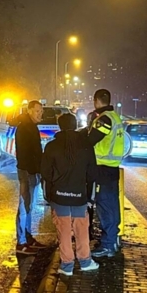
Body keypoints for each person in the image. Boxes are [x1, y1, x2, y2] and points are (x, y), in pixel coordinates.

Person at [42, 112, 99, 275]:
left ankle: (67, 265)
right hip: (79, 195)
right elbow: (92, 173)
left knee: (63, 230)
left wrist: (52, 189)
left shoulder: (51, 146)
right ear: (75, 126)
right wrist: (87, 192)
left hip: (59, 196)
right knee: (81, 228)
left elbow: (45, 173)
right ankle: (85, 261)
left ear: (60, 126)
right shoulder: (86, 147)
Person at [84, 88, 129, 259]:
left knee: (105, 206)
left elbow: (90, 140)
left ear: (96, 101)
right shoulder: (115, 117)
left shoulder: (104, 120)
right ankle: (113, 240)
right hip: (112, 168)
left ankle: (108, 245)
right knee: (112, 205)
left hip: (102, 169)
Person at [14, 100, 48, 255]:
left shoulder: (31, 126)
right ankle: (21, 242)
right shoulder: (25, 128)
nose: (40, 114)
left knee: (29, 206)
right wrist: (33, 170)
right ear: (29, 111)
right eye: (37, 111)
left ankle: (28, 237)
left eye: (41, 111)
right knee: (24, 205)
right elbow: (26, 153)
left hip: (32, 171)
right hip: (27, 172)